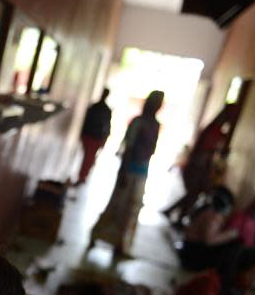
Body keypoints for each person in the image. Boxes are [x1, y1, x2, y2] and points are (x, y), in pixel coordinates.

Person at [90, 90, 164, 256]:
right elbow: (128, 147)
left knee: (132, 210)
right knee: (117, 205)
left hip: (142, 171)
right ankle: (97, 235)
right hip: (129, 169)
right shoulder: (138, 122)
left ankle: (121, 244)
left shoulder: (155, 125)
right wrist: (123, 171)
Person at [163, 104, 239, 226]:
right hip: (198, 166)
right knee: (194, 193)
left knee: (194, 193)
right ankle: (176, 216)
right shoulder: (213, 131)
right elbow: (205, 153)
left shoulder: (216, 131)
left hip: (200, 166)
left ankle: (172, 213)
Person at [179, 186, 241, 272]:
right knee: (233, 246)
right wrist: (229, 235)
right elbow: (208, 240)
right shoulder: (213, 216)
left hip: (187, 247)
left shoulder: (207, 209)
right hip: (192, 253)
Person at [76, 88, 112, 185]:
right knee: (88, 158)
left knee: (89, 158)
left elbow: (107, 126)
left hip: (95, 137)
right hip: (91, 136)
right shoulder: (96, 108)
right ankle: (82, 176)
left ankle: (83, 176)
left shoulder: (103, 109)